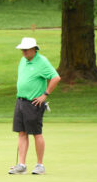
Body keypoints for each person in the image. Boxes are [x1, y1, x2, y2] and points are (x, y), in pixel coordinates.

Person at [10, 38, 61, 175]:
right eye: (22, 49)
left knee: (36, 133)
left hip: (34, 103)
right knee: (21, 133)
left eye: (26, 49)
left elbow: (55, 77)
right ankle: (21, 165)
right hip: (20, 101)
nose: (23, 52)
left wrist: (45, 94)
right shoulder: (23, 60)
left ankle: (40, 165)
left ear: (34, 49)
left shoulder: (42, 61)